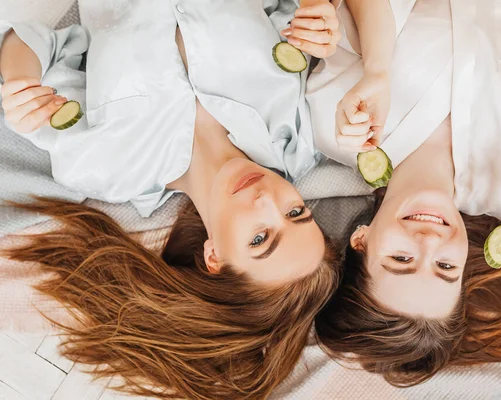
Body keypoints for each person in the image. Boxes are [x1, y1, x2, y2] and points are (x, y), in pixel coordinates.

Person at [0, 1, 343, 398]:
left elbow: (32, 41)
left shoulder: (107, 167)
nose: (267, 199)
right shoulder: (300, 134)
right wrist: (320, 19)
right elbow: (293, 13)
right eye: (296, 212)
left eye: (259, 239)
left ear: (214, 257)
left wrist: (19, 86)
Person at [308, 0, 501, 386]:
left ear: (361, 241)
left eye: (401, 258)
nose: (429, 242)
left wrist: (376, 68)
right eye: (445, 267)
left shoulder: (340, 127)